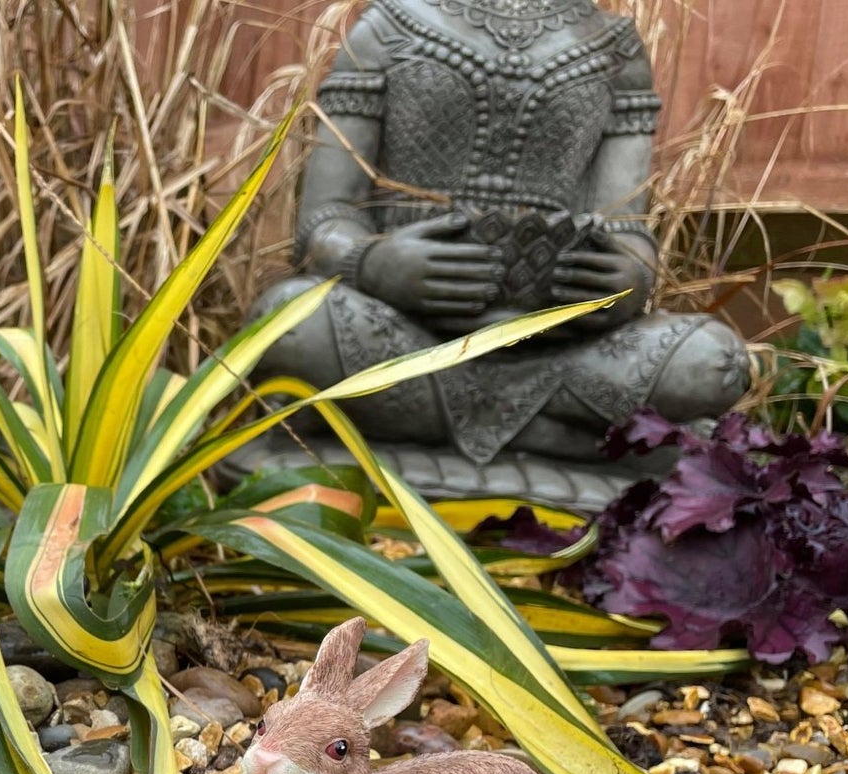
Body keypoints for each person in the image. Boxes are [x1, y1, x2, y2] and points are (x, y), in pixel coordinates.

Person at [256, 0, 749, 463]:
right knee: (287, 324)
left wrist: (627, 278)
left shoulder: (614, 49)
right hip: (405, 336)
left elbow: (626, 225)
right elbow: (325, 216)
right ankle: (556, 436)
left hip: (558, 348)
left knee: (714, 361)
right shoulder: (387, 27)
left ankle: (408, 421)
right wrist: (373, 264)